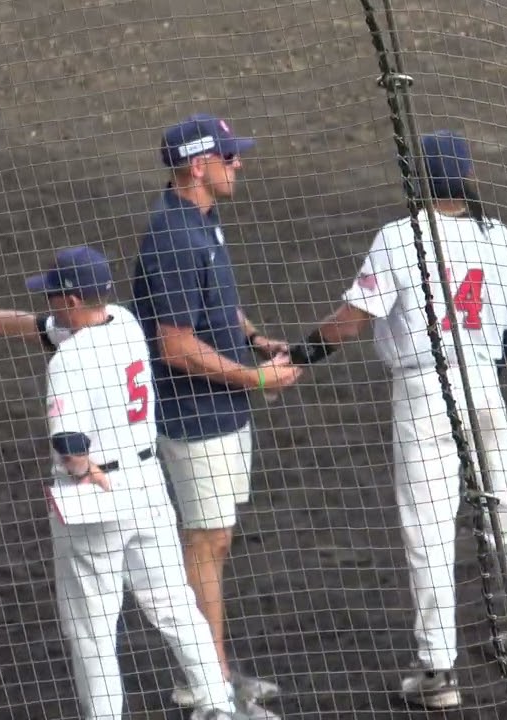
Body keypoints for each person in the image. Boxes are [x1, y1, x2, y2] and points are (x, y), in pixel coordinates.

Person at [0, 246, 247, 720]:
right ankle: (217, 705)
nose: (46, 301)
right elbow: (27, 325)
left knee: (92, 626)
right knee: (174, 604)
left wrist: (84, 470)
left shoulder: (68, 361)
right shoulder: (125, 323)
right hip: (149, 486)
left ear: (70, 299)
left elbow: (68, 441)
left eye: (52, 294)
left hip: (99, 497)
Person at [284, 131, 507, 709]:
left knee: (427, 530)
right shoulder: (498, 236)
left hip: (424, 391)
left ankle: (438, 669)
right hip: (484, 386)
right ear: (469, 176)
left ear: (420, 179)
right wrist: (478, 381)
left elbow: (351, 321)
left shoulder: (400, 237)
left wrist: (299, 355)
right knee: (504, 506)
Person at [130, 113, 300, 717]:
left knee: (216, 541)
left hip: (223, 411)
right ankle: (209, 691)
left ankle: (215, 671)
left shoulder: (204, 221)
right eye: (230, 157)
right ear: (197, 167)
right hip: (195, 418)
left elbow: (219, 309)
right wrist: (256, 377)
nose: (240, 164)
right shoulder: (173, 238)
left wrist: (255, 342)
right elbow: (174, 346)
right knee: (204, 544)